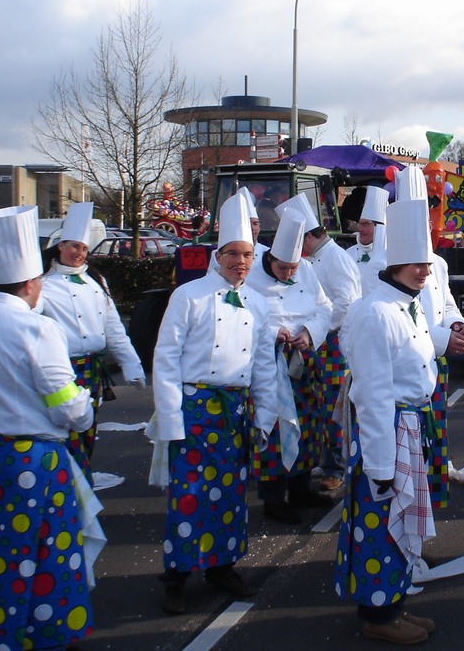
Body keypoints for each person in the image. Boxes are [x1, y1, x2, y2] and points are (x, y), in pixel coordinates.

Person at [0, 204, 99, 651]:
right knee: (48, 553)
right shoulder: (37, 329)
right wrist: (85, 405)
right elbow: (68, 407)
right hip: (31, 460)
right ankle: (48, 636)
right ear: (32, 283)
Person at [151, 192, 277, 614]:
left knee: (230, 494)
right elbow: (166, 359)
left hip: (235, 410)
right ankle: (176, 576)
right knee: (189, 494)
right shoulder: (189, 296)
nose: (240, 262)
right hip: (194, 408)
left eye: (247, 254)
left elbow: (264, 365)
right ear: (218, 256)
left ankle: (222, 566)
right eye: (233, 254)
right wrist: (170, 420)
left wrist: (265, 416)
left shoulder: (258, 304)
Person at [335, 197, 438, 646]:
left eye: (427, 263)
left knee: (401, 521)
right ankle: (377, 615)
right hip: (388, 433)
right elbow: (373, 396)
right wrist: (379, 467)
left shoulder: (408, 304)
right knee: (379, 523)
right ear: (394, 263)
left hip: (408, 428)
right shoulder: (376, 312)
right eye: (416, 263)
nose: (424, 271)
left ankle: (394, 603)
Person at [38, 201, 146, 483]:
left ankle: (80, 481)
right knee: (64, 430)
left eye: (84, 248)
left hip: (92, 370)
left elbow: (113, 328)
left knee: (87, 430)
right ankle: (67, 485)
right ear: (60, 246)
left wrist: (131, 365)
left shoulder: (97, 282)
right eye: (74, 246)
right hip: (61, 370)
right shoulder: (43, 285)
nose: (79, 253)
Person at [245, 210, 335, 524]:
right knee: (274, 428)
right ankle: (273, 499)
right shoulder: (250, 276)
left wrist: (309, 333)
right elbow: (242, 317)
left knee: (307, 426)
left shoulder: (306, 271)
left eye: (293, 268)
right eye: (282, 268)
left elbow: (324, 307)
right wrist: (273, 332)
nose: (287, 274)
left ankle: (300, 488)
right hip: (267, 363)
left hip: (302, 360)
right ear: (270, 259)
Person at [394, 165, 464, 510]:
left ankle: (429, 501)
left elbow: (446, 302)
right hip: (404, 368)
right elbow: (402, 319)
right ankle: (408, 505)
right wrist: (442, 339)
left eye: (427, 221)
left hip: (435, 363)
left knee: (434, 432)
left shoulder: (438, 264)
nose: (425, 228)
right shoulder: (385, 265)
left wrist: (455, 324)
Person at [279, 194, 362, 493]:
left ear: (309, 236)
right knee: (316, 404)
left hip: (334, 343)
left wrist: (314, 329)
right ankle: (323, 460)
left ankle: (336, 467)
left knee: (332, 407)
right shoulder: (315, 258)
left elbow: (346, 304)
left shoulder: (335, 259)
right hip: (317, 342)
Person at [345, 185, 388, 295]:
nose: (360, 229)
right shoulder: (347, 254)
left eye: (365, 224)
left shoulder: (390, 256)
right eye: (360, 224)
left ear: (379, 227)